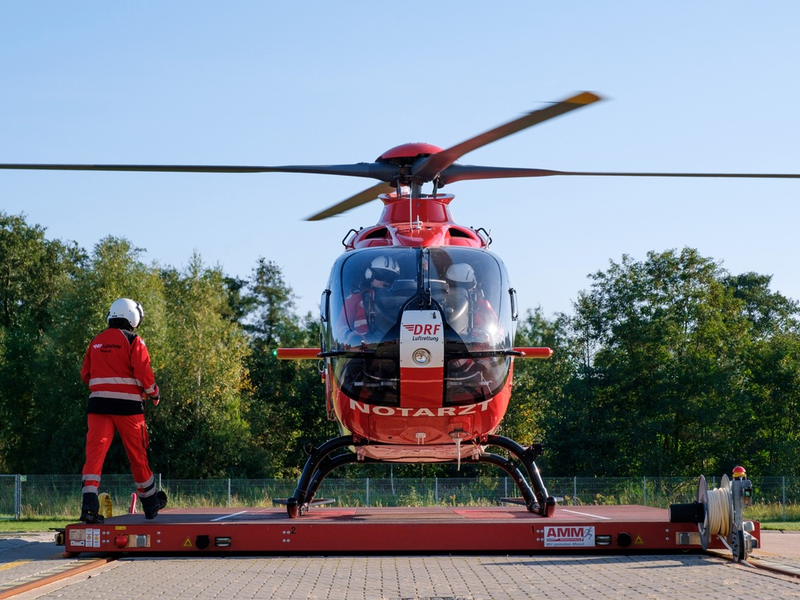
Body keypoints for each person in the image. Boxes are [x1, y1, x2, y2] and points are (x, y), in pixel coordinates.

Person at [79, 298, 166, 523]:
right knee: (137, 454)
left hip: (98, 406)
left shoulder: (95, 341)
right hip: (128, 408)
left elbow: (85, 375)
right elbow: (143, 373)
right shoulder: (134, 340)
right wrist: (154, 393)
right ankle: (150, 504)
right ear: (133, 317)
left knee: (94, 456)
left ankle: (88, 507)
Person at [339, 255, 400, 343]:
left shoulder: (400, 298)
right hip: (365, 347)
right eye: (381, 276)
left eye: (390, 278)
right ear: (369, 274)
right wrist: (350, 334)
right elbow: (341, 323)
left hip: (395, 344)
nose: (385, 281)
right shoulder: (355, 298)